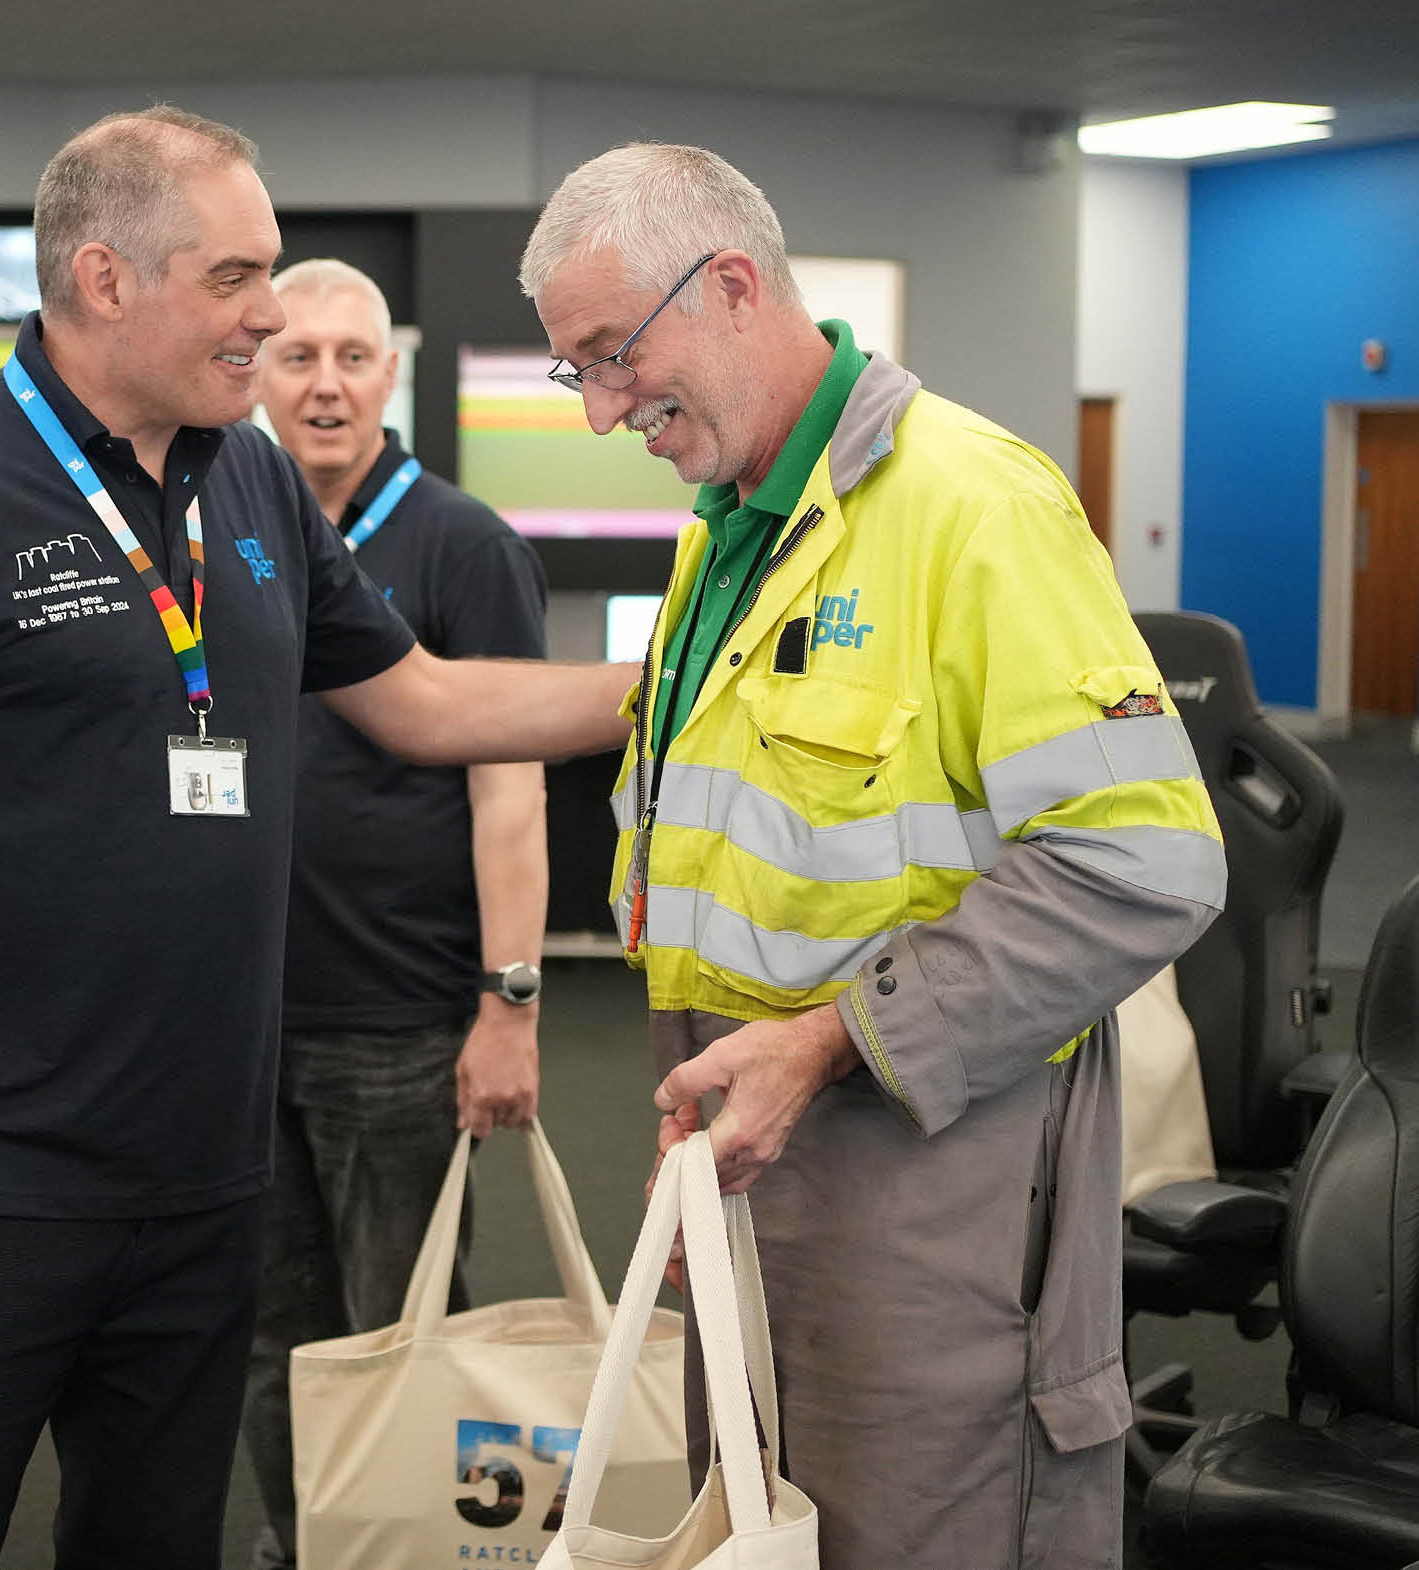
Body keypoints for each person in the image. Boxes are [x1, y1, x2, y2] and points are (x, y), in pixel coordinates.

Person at [0, 107, 634, 1570]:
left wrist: (672, 684)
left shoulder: (251, 479)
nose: (268, 315)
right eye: (234, 278)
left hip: (208, 1172)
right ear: (103, 279)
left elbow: (423, 701)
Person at [520, 143, 1227, 1569]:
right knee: (760, 1529)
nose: (599, 409)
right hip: (748, 1146)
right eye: (573, 371)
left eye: (612, 356)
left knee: (912, 1531)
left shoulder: (975, 505)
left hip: (930, 1176)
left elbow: (1145, 863)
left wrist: (830, 1040)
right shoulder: (729, 530)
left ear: (730, 285)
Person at [239, 258, 550, 1569]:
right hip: (237, 1018)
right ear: (256, 371)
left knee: (405, 1329)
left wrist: (510, 1004)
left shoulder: (462, 544)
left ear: (390, 375)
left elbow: (510, 791)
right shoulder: (221, 529)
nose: (325, 385)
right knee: (271, 1336)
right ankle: (301, 1541)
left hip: (400, 1024)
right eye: (297, 354)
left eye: (352, 357)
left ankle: (414, 1552)